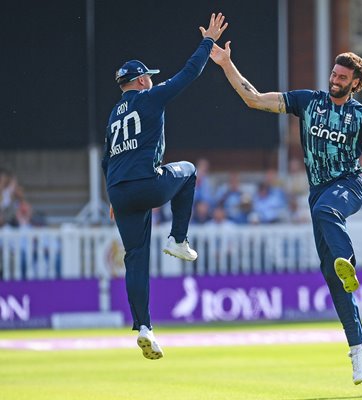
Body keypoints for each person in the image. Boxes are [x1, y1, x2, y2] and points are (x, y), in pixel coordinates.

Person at [210, 44, 362, 384]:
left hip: (348, 188)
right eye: (334, 74)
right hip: (318, 195)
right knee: (332, 277)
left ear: (356, 83)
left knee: (328, 213)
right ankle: (359, 346)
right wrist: (226, 64)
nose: (335, 80)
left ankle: (348, 261)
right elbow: (254, 99)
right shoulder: (308, 101)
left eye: (343, 77)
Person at [101, 13, 228, 360]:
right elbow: (189, 73)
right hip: (146, 184)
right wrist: (208, 41)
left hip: (120, 190)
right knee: (187, 170)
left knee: (135, 259)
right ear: (142, 80)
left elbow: (106, 159)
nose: (152, 82)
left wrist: (113, 196)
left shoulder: (114, 115)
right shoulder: (149, 98)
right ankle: (178, 238)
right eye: (149, 78)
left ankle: (144, 327)